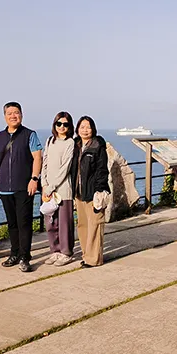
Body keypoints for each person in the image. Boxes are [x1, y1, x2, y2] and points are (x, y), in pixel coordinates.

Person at [0, 102, 43, 272]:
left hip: (24, 186)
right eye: (10, 113)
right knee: (12, 223)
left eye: (16, 112)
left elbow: (37, 157)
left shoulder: (29, 135)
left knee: (24, 223)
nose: (13, 116)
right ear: (5, 116)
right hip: (5, 187)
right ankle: (14, 253)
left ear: (21, 115)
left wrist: (34, 178)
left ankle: (25, 257)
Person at [70, 115, 110, 268]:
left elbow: (102, 170)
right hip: (79, 193)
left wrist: (99, 190)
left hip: (94, 193)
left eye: (88, 127)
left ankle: (94, 259)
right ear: (77, 129)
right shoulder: (76, 145)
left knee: (95, 225)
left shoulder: (98, 146)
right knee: (83, 225)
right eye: (82, 127)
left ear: (93, 129)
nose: (85, 130)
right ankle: (86, 255)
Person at [40, 112, 76, 266]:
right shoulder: (50, 140)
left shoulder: (70, 143)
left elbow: (65, 168)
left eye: (65, 124)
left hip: (63, 189)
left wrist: (51, 187)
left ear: (70, 126)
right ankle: (54, 250)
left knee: (64, 223)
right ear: (54, 124)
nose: (62, 127)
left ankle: (66, 252)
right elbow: (45, 162)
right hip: (48, 189)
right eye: (59, 123)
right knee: (50, 223)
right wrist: (44, 184)